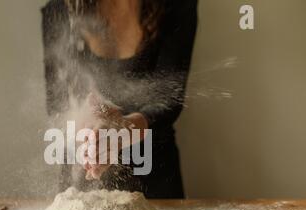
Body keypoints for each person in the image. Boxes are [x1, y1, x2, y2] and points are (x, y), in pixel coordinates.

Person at [42, 0, 198, 198]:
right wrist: (90, 128)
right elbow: (57, 103)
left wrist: (125, 127)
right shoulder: (60, 8)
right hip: (82, 176)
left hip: (153, 174)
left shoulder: (176, 5)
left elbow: (169, 99)